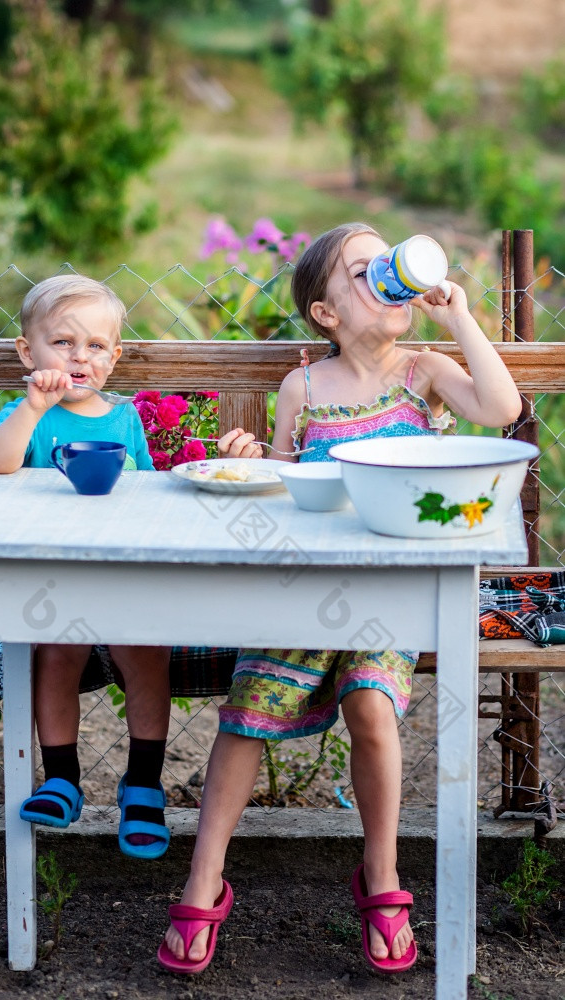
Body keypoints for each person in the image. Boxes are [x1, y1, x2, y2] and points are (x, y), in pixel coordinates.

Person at [158, 222, 522, 974]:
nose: (388, 277)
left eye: (390, 264)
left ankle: (381, 875)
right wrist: (253, 458)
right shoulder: (303, 387)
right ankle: (204, 878)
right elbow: (290, 490)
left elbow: (501, 409)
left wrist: (457, 315)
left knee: (370, 702)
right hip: (308, 591)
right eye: (364, 272)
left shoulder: (423, 371)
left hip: (390, 593)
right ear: (325, 313)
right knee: (248, 706)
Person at [0, 274, 172, 859]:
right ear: (27, 352)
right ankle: (61, 777)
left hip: (119, 571)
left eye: (94, 346)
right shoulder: (28, 413)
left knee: (145, 651)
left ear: (114, 357)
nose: (78, 357)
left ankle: (143, 784)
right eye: (62, 343)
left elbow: (144, 492)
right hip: (52, 575)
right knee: (57, 652)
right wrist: (33, 409)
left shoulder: (123, 419)